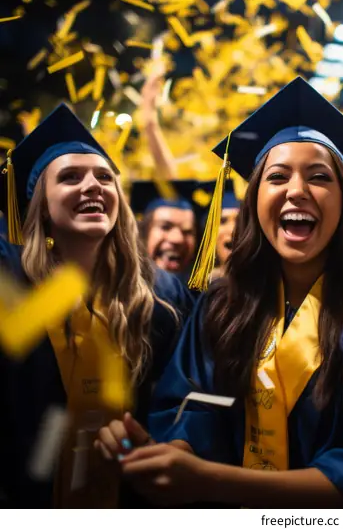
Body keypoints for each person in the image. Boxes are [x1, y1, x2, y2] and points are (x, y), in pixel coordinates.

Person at [97, 76, 343, 508]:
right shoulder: (220, 306)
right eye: (277, 176)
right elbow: (191, 409)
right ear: (254, 200)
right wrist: (170, 453)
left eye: (319, 177)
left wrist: (211, 479)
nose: (297, 190)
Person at [0, 104, 194, 508]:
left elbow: (176, 403)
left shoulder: (158, 298)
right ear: (42, 206)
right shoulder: (14, 289)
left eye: (104, 177)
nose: (92, 185)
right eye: (70, 177)